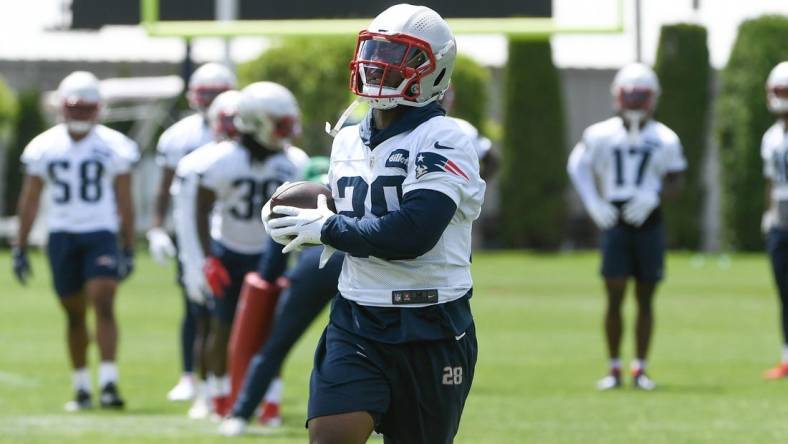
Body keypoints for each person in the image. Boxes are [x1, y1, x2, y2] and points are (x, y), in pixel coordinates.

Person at [265, 4, 485, 443]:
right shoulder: (347, 136)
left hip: (432, 319)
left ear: (434, 70)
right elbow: (342, 211)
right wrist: (296, 217)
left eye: (399, 54)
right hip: (358, 315)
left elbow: (412, 234)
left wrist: (327, 228)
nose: (379, 63)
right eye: (376, 49)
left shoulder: (446, 137)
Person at [13, 71, 139, 410]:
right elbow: (30, 198)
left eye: (87, 108)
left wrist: (128, 244)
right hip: (61, 234)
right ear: (62, 108)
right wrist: (20, 246)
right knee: (73, 313)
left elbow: (125, 200)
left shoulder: (115, 145)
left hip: (100, 233)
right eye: (76, 107)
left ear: (98, 109)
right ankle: (82, 386)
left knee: (103, 300)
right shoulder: (43, 146)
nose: (81, 115)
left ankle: (109, 384)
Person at [567, 63, 686, 391]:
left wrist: (654, 194)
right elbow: (577, 164)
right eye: (629, 96)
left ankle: (641, 368)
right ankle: (614, 367)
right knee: (614, 293)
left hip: (648, 219)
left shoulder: (665, 138)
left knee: (646, 295)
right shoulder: (600, 133)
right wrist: (593, 202)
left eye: (640, 96)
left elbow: (677, 181)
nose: (634, 103)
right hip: (615, 216)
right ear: (617, 96)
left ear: (652, 99)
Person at [196, 81, 308, 416]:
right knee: (222, 325)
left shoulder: (293, 162)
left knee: (273, 331)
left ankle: (269, 401)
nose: (286, 131)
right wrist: (208, 258)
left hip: (272, 253)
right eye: (280, 124)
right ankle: (220, 396)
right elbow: (200, 208)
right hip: (230, 250)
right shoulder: (222, 160)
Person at [148, 62, 236, 402]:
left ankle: (229, 379)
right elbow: (164, 186)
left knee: (229, 309)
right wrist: (157, 228)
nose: (211, 101)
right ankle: (192, 376)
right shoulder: (178, 136)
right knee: (194, 307)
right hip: (190, 229)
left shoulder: (243, 129)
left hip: (230, 226)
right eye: (206, 94)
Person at [169, 89, 241, 417]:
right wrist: (194, 260)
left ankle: (242, 392)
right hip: (209, 251)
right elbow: (187, 215)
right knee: (206, 324)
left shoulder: (267, 157)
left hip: (238, 247)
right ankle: (207, 392)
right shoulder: (197, 161)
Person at [759, 61, 788, 379]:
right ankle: (786, 356)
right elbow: (770, 181)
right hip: (781, 221)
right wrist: (768, 215)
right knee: (784, 292)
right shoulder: (771, 138)